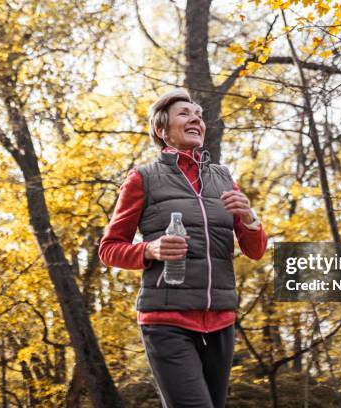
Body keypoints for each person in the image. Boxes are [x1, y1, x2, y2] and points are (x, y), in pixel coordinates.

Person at [98, 89, 268, 408]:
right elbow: (109, 249)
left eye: (199, 115)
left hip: (220, 319)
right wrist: (149, 250)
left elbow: (256, 251)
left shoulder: (224, 179)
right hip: (166, 319)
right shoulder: (143, 179)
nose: (195, 120)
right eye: (184, 114)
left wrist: (249, 216)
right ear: (163, 132)